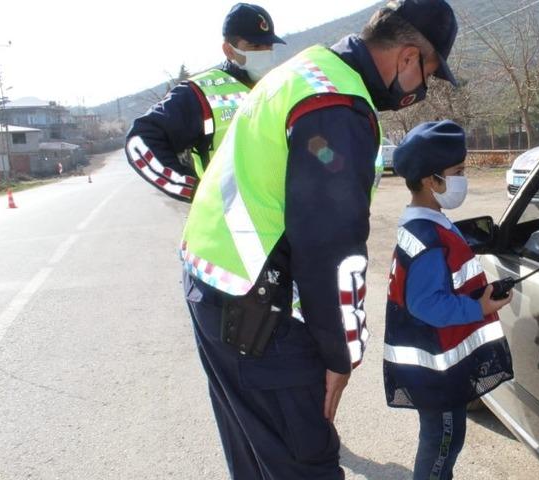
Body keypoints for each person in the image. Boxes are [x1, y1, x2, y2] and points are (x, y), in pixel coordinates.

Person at [180, 1, 460, 478]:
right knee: (303, 463)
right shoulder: (338, 106)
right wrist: (340, 355)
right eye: (429, 73)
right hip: (260, 314)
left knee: (255, 457)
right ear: (409, 57)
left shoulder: (308, 70)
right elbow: (332, 248)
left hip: (212, 282)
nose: (423, 88)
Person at [384, 120, 514, 480]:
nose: (463, 179)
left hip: (439, 365)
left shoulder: (430, 222)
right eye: (457, 172)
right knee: (441, 441)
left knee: (447, 436)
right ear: (432, 181)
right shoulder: (427, 237)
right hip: (434, 370)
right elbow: (427, 304)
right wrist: (478, 307)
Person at [125, 3, 288, 202]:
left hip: (286, 215)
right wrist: (193, 190)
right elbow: (140, 140)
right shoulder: (201, 92)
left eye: (269, 46)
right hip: (228, 218)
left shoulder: (281, 85)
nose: (265, 52)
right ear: (229, 50)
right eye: (255, 46)